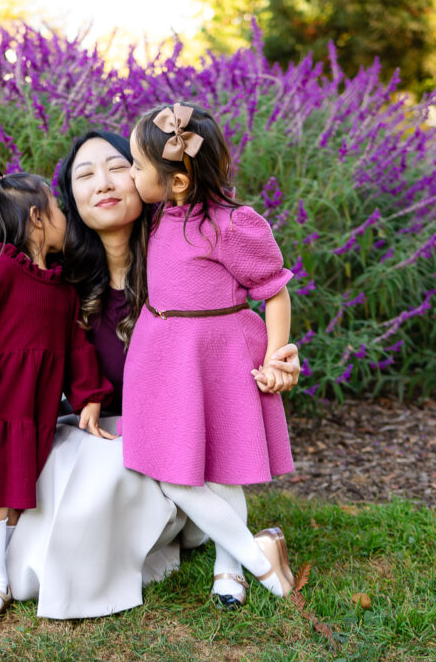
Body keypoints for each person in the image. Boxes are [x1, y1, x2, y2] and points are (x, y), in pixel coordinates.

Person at [0, 131, 300, 618]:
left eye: (117, 167)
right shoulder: (56, 281)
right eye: (85, 175)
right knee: (67, 463)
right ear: (65, 206)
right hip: (96, 432)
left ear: (146, 178)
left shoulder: (186, 256)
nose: (104, 184)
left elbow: (238, 320)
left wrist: (277, 354)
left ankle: (224, 554)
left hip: (175, 447)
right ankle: (4, 573)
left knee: (106, 473)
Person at [121, 102, 297, 607]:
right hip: (166, 357)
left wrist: (275, 357)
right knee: (172, 472)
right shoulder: (160, 216)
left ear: (176, 182)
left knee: (223, 468)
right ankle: (259, 555)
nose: (131, 175)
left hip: (219, 355)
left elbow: (274, 290)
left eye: (136, 166)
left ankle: (230, 568)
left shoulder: (232, 225)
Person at [0, 168, 112, 622]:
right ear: (37, 219)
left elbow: (77, 349)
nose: (63, 216)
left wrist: (90, 395)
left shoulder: (63, 291)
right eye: (56, 208)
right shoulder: (0, 271)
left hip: (33, 415)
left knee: (17, 497)